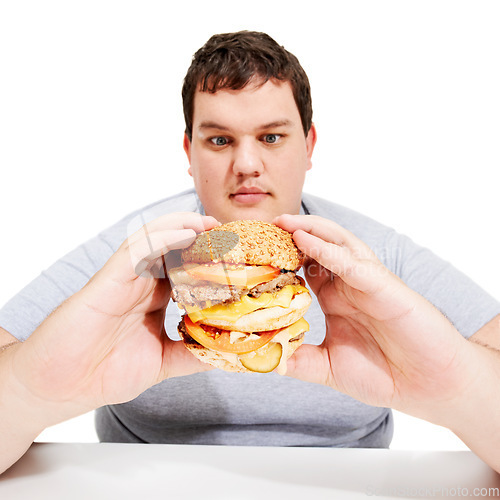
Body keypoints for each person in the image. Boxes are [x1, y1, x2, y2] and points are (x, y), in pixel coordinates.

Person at [1, 30, 499, 474]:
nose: (246, 164)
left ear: (309, 146)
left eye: (271, 137)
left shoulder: (371, 258)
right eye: (219, 139)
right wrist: (29, 394)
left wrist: (461, 392)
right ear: (189, 153)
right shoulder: (133, 257)